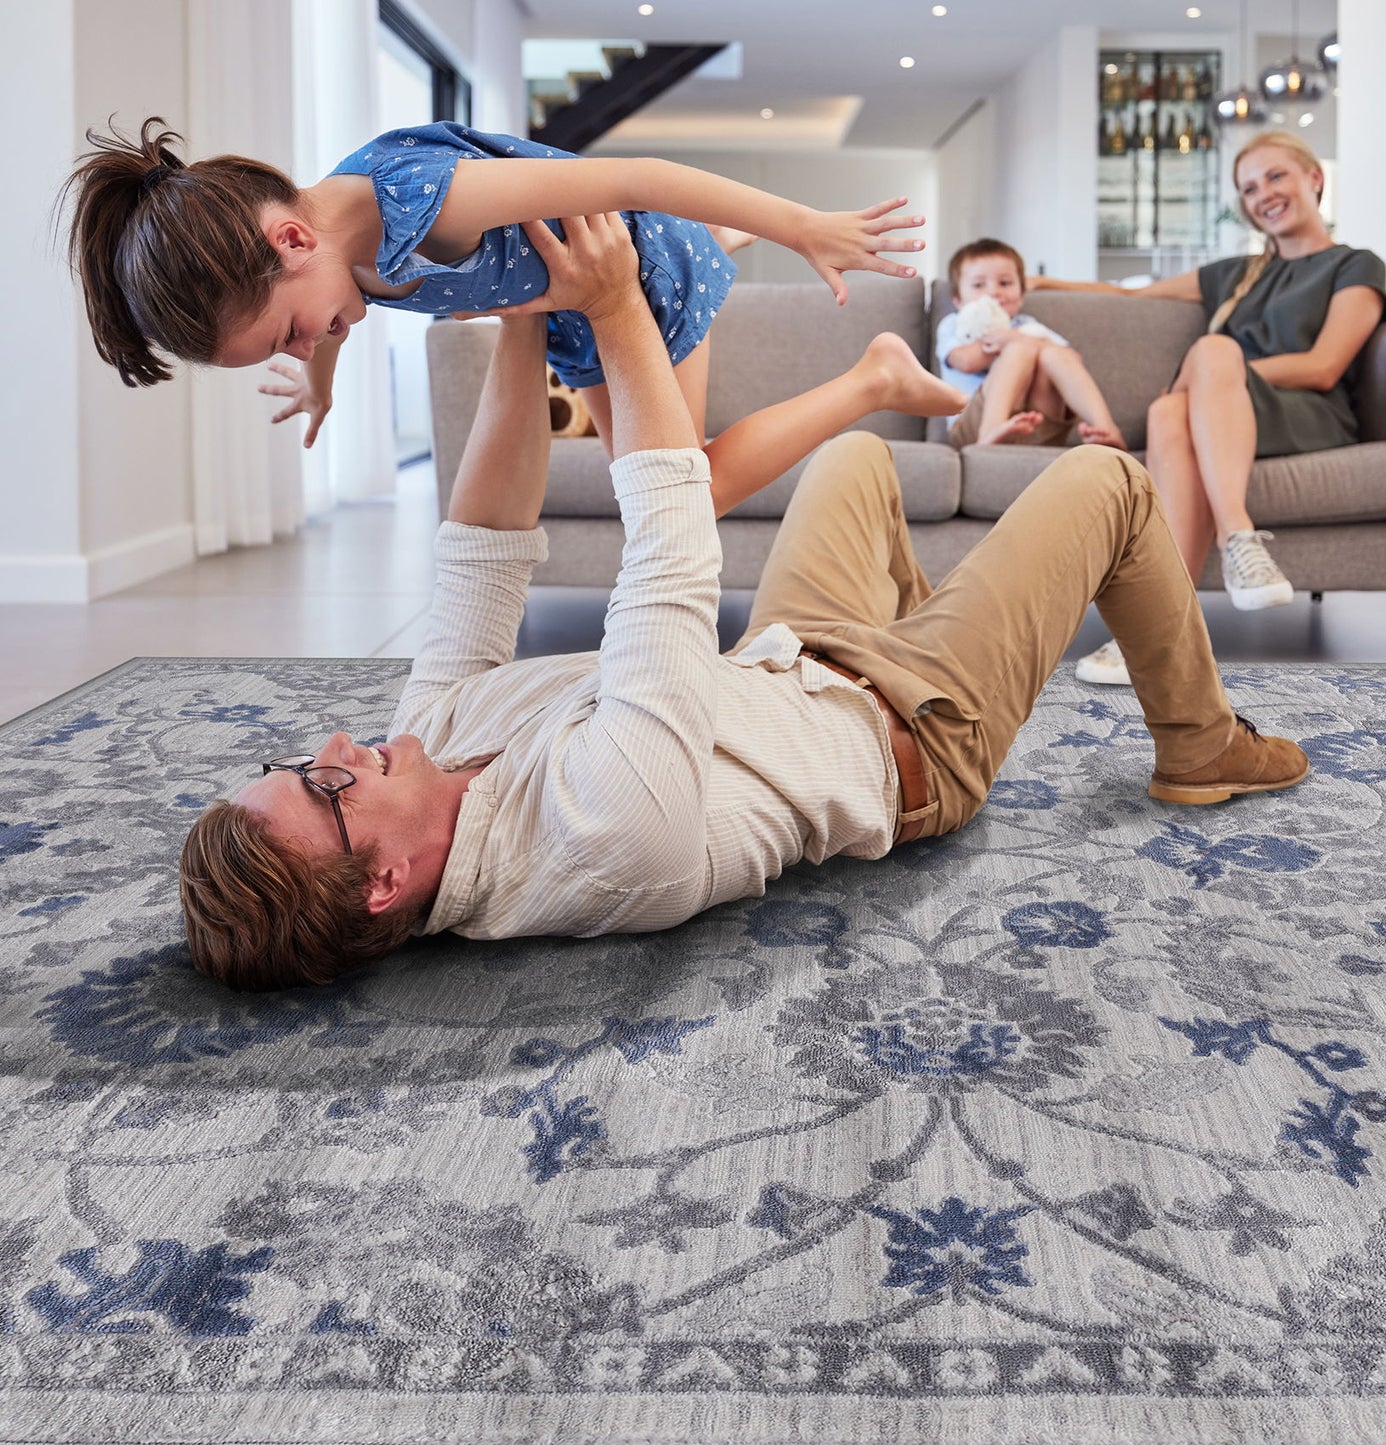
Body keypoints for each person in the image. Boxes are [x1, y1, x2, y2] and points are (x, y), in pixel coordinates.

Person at [178, 211, 1309, 993]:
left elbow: (479, 554)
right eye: (324, 783)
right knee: (1108, 482)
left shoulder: (419, 753)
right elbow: (668, 557)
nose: (337, 743)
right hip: (910, 734)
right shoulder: (600, 835)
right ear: (383, 883)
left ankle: (940, 619)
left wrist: (525, 310)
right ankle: (1200, 743)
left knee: (854, 466)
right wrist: (615, 313)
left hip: (792, 658)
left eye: (301, 756)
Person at [63, 118, 923, 514]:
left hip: (636, 278)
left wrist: (805, 226)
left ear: (290, 238)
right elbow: (331, 316)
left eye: (292, 333)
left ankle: (873, 373)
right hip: (567, 313)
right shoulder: (331, 252)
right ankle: (719, 244)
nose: (313, 340)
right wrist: (318, 382)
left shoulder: (436, 201)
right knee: (662, 488)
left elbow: (638, 176)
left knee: (680, 496)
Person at [1032, 131, 1386, 686]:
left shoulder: (1355, 265)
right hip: (1220, 413)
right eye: (1249, 189)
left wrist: (1215, 374)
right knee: (1165, 413)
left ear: (1314, 179)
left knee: (1212, 352)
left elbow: (1324, 364)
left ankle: (1237, 537)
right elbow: (1132, 297)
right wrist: (1041, 284)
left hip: (1305, 413)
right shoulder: (1235, 273)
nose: (1263, 195)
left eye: (1276, 177)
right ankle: (1157, 627)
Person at [937, 238, 1127, 449]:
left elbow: (1071, 360)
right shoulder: (953, 324)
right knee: (1021, 348)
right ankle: (992, 428)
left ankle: (1106, 427)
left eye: (1005, 283)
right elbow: (964, 361)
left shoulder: (1027, 326)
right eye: (978, 285)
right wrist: (1007, 342)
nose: (993, 292)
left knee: (1050, 353)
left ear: (1021, 296)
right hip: (973, 427)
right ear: (958, 300)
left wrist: (1021, 338)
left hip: (1038, 425)